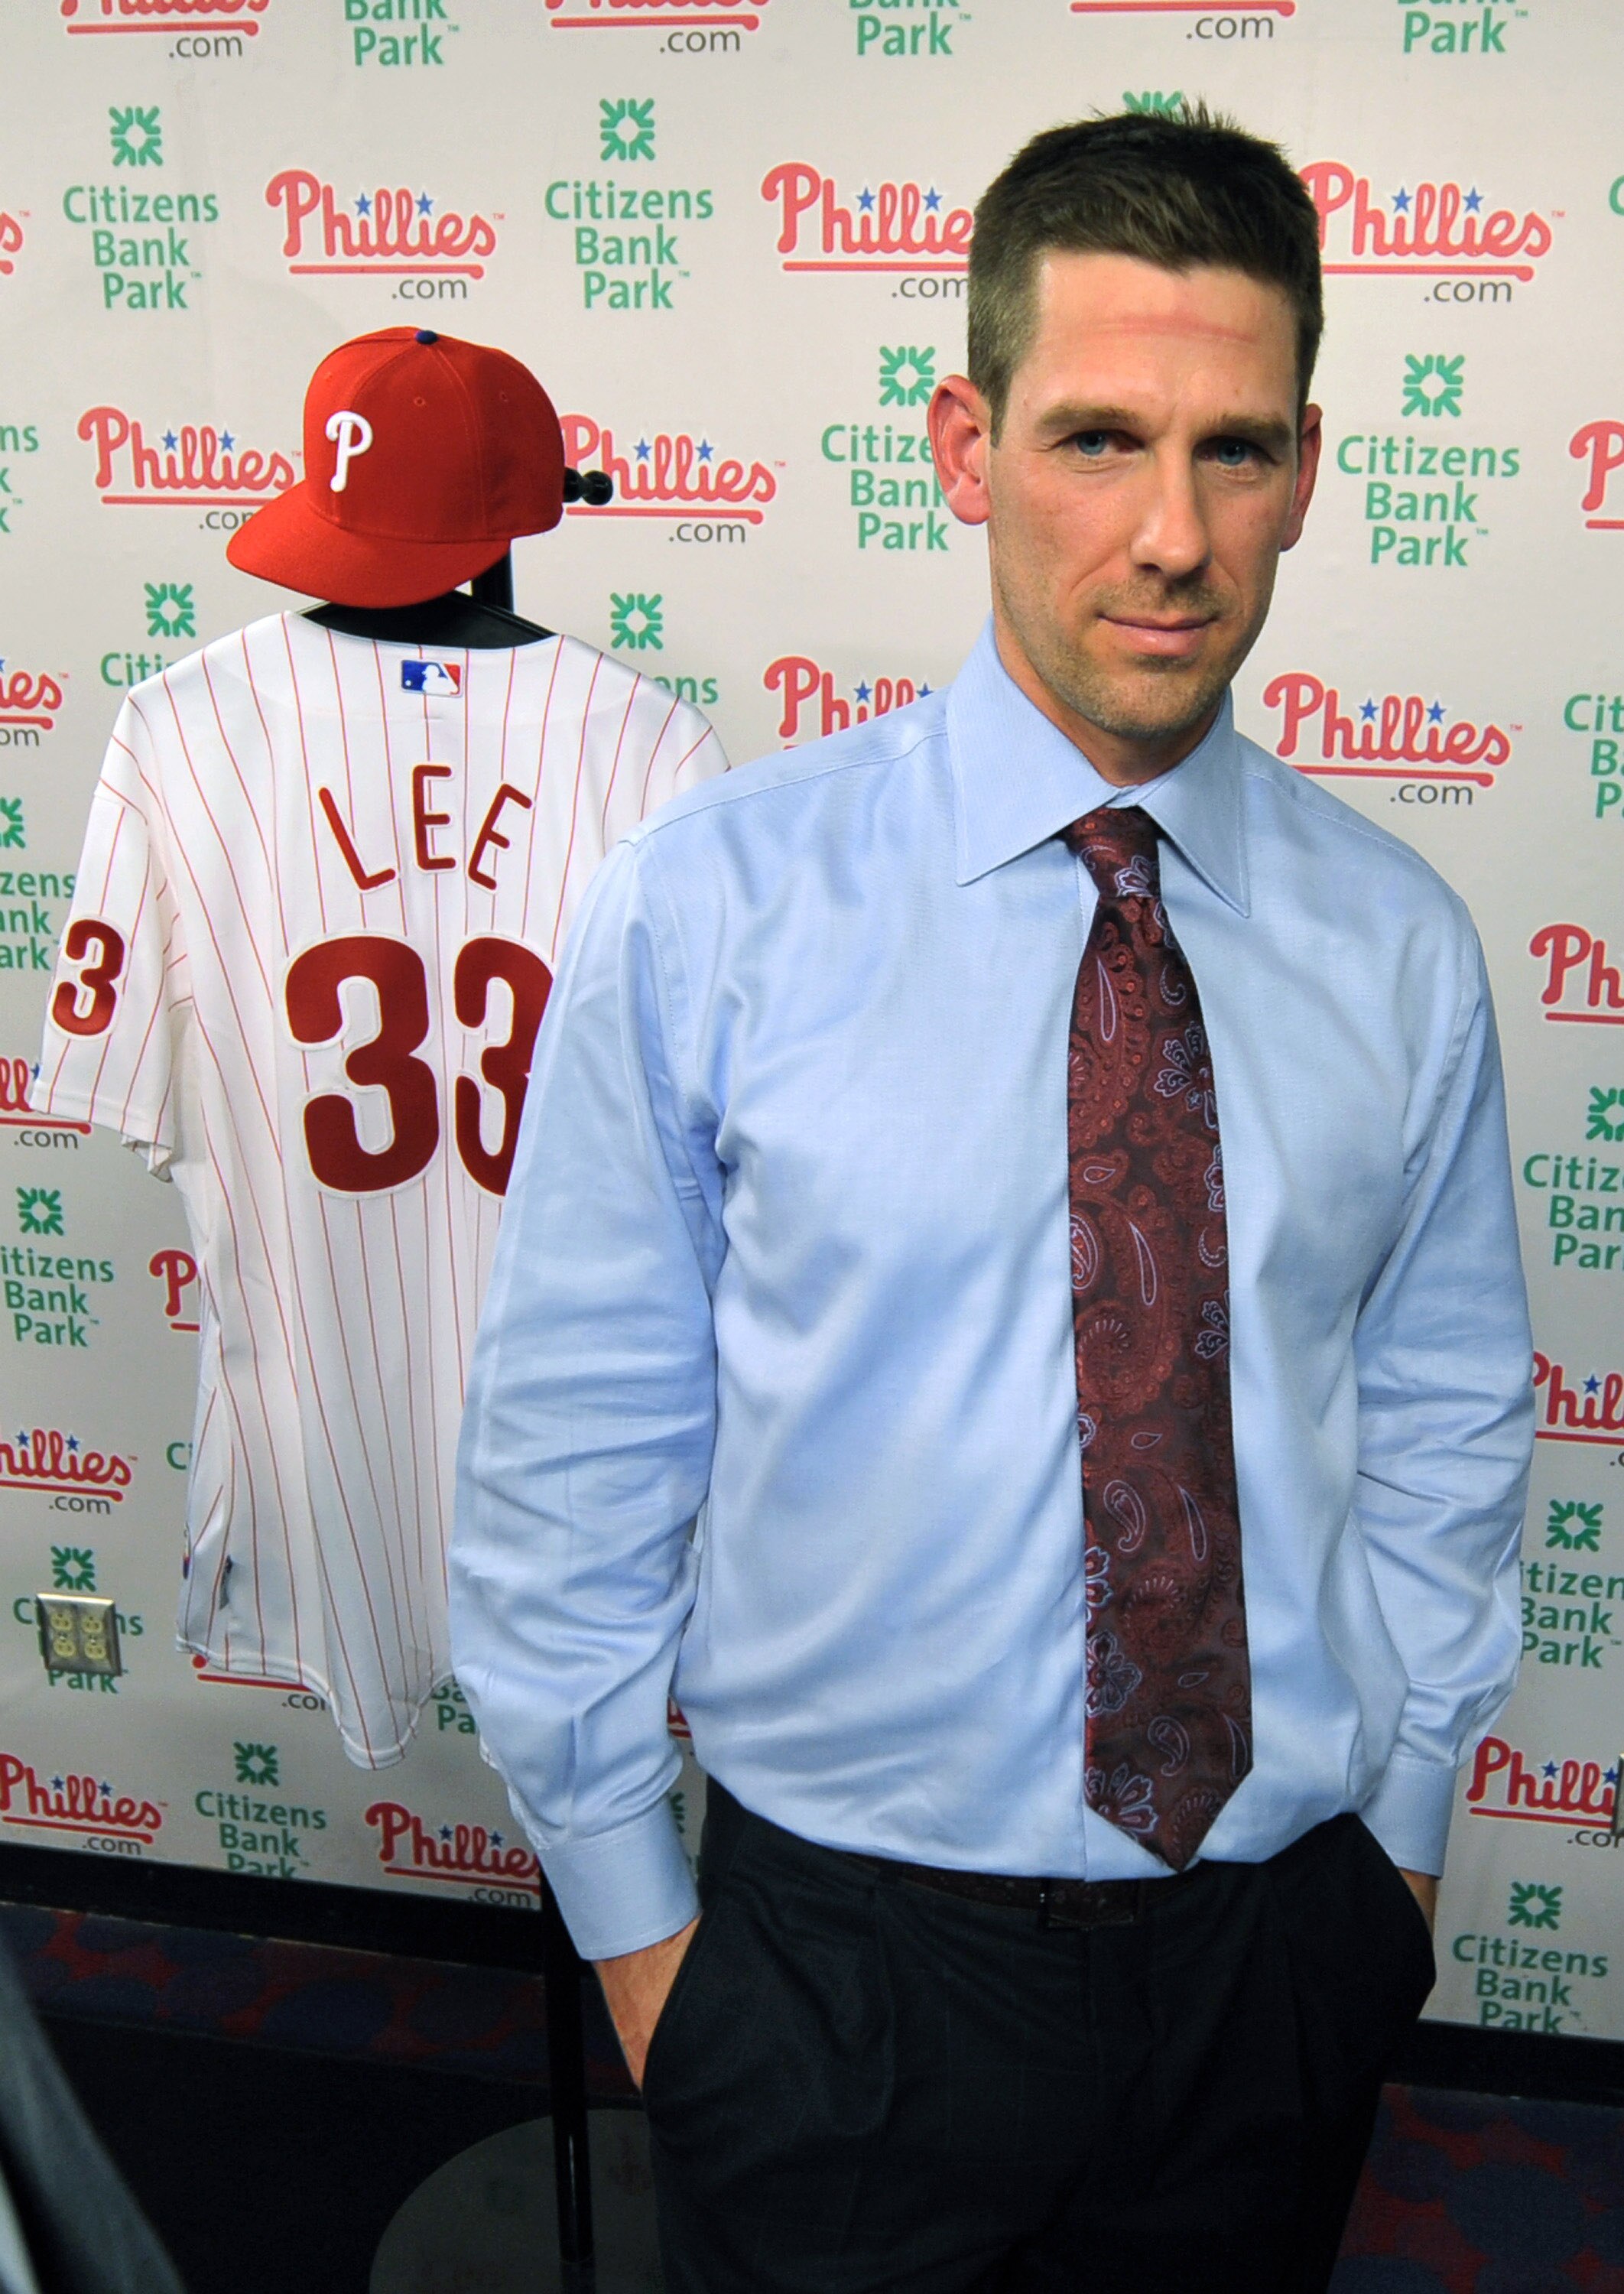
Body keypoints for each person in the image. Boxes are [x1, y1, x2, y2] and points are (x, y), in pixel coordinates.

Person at [450, 107, 1534, 2292]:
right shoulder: (714, 913)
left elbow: (1440, 1422)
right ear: (961, 443)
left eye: (1233, 451)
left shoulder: (1394, 941)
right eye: (1094, 438)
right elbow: (573, 1458)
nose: (1166, 532)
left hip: (1271, 1962)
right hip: (839, 1987)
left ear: (1312, 470)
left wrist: (1391, 1863)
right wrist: (651, 1956)